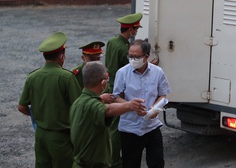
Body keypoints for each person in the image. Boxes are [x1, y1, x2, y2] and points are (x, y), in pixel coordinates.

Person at [18, 32, 82, 168]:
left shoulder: (33, 77)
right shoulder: (67, 77)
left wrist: (37, 114)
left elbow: (22, 106)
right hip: (61, 137)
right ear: (61, 56)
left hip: (41, 135)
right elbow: (78, 107)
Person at [70, 61, 147, 168]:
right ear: (103, 83)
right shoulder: (92, 105)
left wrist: (100, 98)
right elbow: (108, 110)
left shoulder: (78, 102)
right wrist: (129, 105)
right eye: (107, 79)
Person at [113, 39, 171, 168]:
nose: (133, 59)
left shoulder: (157, 72)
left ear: (146, 57)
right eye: (130, 56)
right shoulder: (122, 73)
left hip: (152, 126)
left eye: (136, 57)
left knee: (157, 163)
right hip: (130, 128)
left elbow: (163, 94)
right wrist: (131, 106)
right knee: (130, 164)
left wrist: (154, 108)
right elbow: (116, 97)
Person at [105, 12, 143, 168]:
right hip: (119, 89)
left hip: (110, 84)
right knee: (116, 126)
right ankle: (114, 161)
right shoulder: (124, 49)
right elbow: (131, 68)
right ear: (131, 30)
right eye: (136, 29)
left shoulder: (112, 41)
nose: (136, 32)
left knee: (112, 126)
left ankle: (113, 158)